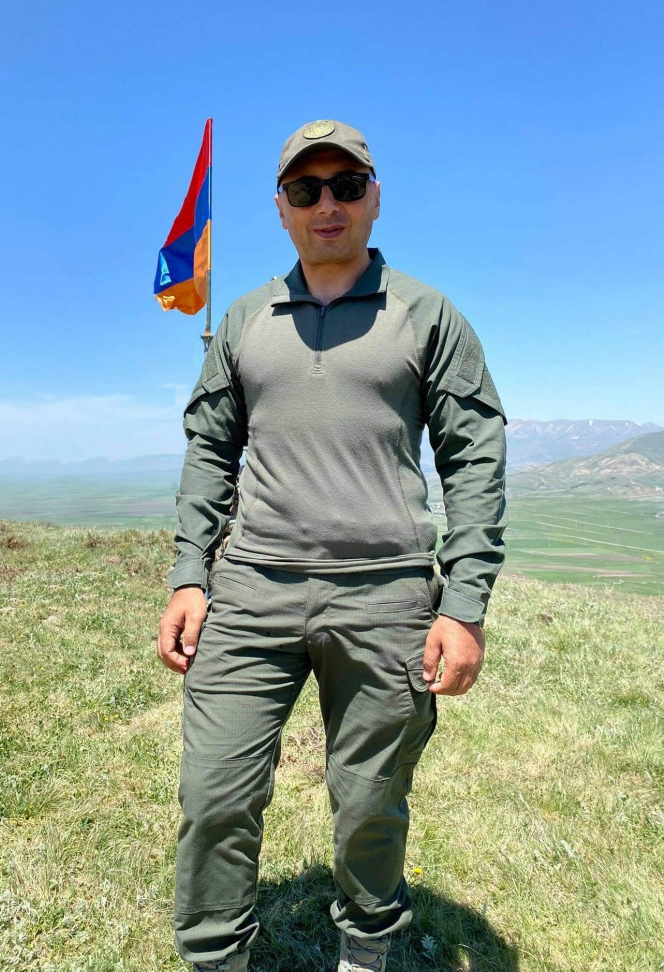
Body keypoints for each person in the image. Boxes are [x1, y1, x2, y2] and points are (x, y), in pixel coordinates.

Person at [157, 119, 507, 972]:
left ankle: (364, 948)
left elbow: (474, 456)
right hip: (252, 589)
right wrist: (190, 574)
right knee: (214, 793)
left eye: (346, 186)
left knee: (370, 803)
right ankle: (214, 957)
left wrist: (464, 605)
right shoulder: (244, 318)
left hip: (387, 595)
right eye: (305, 189)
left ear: (374, 198)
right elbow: (210, 448)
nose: (327, 204)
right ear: (280, 207)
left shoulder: (427, 315)